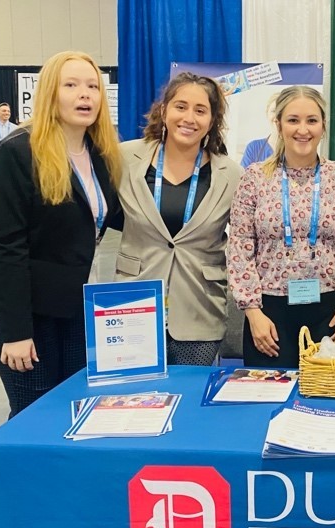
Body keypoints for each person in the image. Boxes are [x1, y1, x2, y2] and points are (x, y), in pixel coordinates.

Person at [0, 51, 122, 417]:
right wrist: (16, 332)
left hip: (67, 297)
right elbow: (3, 247)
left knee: (72, 399)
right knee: (33, 409)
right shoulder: (17, 153)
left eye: (92, 86)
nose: (84, 95)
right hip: (16, 301)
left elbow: (112, 215)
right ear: (50, 94)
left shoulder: (99, 153)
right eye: (71, 85)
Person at [228, 86, 335, 368]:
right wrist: (252, 312)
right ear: (278, 124)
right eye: (293, 120)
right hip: (269, 312)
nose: (302, 129)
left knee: (326, 398)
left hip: (332, 309)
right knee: (268, 396)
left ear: (323, 126)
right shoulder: (255, 178)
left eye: (311, 120)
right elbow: (240, 247)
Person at [114, 73, 244, 366]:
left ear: (212, 121)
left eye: (200, 110)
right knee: (135, 401)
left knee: (188, 399)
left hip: (200, 308)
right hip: (134, 305)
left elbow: (248, 240)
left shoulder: (231, 175)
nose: (189, 118)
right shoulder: (125, 158)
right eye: (181, 106)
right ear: (164, 110)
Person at [240, 91, 279, 168]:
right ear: (267, 113)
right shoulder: (253, 148)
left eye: (282, 111)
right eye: (273, 111)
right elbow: (243, 178)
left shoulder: (297, 149)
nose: (277, 116)